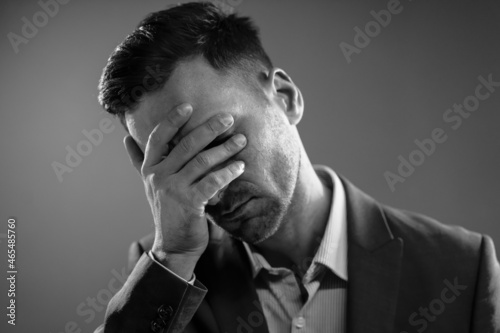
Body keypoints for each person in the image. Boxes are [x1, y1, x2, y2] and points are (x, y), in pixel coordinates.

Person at [95, 2, 500, 332]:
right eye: (178, 166)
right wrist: (173, 256)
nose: (211, 191)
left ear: (286, 98)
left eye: (218, 141)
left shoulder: (461, 267)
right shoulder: (166, 273)